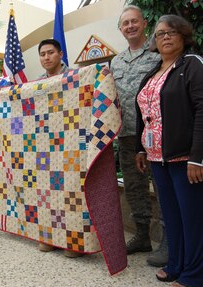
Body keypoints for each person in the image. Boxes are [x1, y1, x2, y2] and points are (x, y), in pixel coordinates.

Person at [135, 14, 203, 287]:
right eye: (160, 33)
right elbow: (144, 113)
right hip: (157, 158)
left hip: (185, 158)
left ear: (183, 36)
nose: (164, 37)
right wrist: (141, 149)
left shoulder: (193, 65)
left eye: (171, 32)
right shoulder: (152, 72)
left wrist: (198, 158)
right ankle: (176, 264)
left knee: (192, 219)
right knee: (172, 216)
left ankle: (195, 275)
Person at [110, 5, 168, 267]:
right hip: (128, 135)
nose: (130, 26)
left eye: (134, 22)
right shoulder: (116, 61)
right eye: (125, 24)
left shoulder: (158, 55)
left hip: (156, 133)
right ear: (121, 30)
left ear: (144, 23)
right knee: (134, 187)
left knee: (163, 185)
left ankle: (169, 240)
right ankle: (143, 235)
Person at [36, 39, 83, 258]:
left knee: (71, 191)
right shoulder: (36, 85)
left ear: (60, 53)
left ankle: (73, 242)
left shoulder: (75, 77)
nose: (46, 57)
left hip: (71, 142)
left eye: (50, 53)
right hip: (45, 145)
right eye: (42, 54)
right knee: (47, 190)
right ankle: (51, 237)